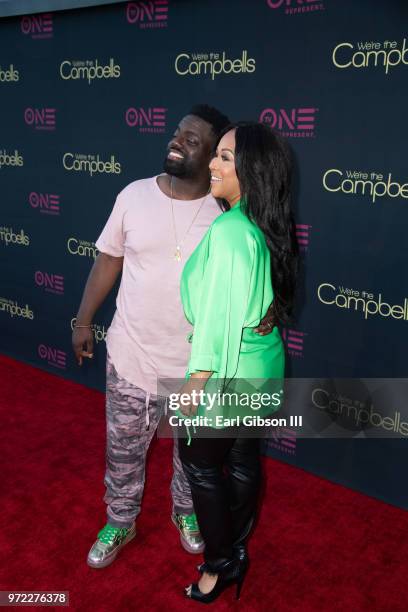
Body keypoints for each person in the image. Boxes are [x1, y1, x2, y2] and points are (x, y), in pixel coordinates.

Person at [72, 106, 276, 569]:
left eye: (193, 138)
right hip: (131, 356)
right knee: (123, 450)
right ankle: (120, 519)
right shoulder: (133, 195)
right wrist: (83, 320)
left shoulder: (227, 210)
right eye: (177, 132)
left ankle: (187, 513)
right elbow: (107, 261)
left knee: (192, 458)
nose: (177, 141)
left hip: (196, 371)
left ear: (213, 157)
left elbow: (262, 261)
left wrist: (269, 310)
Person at [177, 121, 298, 603]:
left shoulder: (230, 231)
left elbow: (216, 321)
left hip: (227, 373)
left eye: (225, 157)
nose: (212, 164)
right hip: (261, 368)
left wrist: (195, 384)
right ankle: (238, 549)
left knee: (200, 463)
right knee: (244, 458)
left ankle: (221, 563)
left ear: (252, 168)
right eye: (217, 155)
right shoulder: (264, 221)